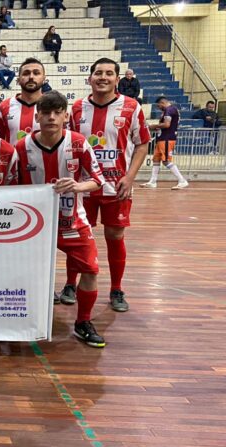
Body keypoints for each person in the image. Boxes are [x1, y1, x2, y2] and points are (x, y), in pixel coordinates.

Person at [15, 91, 106, 348]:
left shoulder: (78, 142)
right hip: (33, 228)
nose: (52, 117)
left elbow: (98, 180)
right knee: (23, 275)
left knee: (90, 270)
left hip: (72, 223)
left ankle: (83, 322)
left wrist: (78, 186)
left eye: (57, 112)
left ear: (66, 115)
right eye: (46, 112)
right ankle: (24, 318)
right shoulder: (22, 147)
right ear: (37, 115)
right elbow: (11, 185)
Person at [67, 57, 151, 313]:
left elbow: (142, 143)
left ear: (117, 79)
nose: (103, 77)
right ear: (90, 78)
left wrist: (130, 176)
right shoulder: (78, 108)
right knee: (77, 236)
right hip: (85, 187)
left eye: (108, 73)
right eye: (98, 73)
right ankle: (71, 284)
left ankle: (116, 288)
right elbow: (69, 144)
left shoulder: (131, 107)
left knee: (115, 235)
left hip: (118, 186)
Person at [142, 96, 189, 190]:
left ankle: (182, 180)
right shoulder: (170, 110)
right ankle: (152, 181)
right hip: (162, 138)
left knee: (166, 160)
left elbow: (167, 124)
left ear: (162, 103)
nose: (159, 108)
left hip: (167, 138)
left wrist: (152, 126)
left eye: (159, 106)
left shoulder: (169, 110)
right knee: (156, 159)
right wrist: (157, 127)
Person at [0, 57, 45, 145]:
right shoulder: (4, 107)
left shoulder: (53, 106)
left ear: (44, 79)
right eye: (26, 74)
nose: (31, 77)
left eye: (36, 73)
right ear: (18, 80)